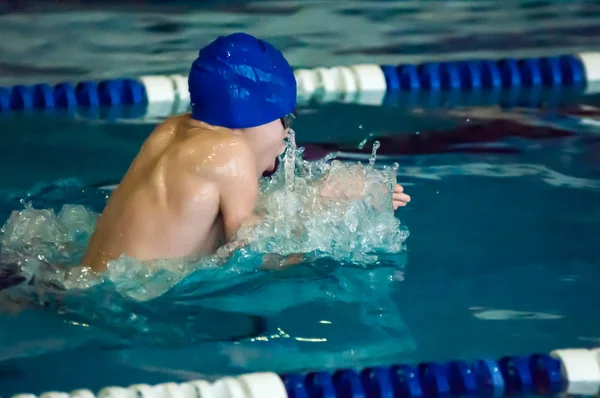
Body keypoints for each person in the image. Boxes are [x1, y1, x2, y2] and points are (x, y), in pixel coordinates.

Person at [82, 32, 410, 273]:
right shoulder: (230, 152)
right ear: (251, 117)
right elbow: (252, 255)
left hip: (78, 282)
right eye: (284, 119)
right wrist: (343, 225)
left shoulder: (171, 130)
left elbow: (208, 226)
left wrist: (323, 196)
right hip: (126, 306)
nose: (286, 136)